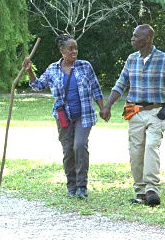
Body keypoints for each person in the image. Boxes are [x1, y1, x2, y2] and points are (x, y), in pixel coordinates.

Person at [99, 24, 165, 207]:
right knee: (136, 152)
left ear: (147, 39)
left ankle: (152, 190)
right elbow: (120, 84)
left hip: (157, 112)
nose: (132, 39)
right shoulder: (132, 59)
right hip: (135, 112)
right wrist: (107, 106)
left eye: (136, 36)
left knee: (151, 148)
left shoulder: (163, 59)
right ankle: (140, 192)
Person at [22, 34, 105, 199]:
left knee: (80, 146)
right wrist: (29, 70)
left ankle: (82, 186)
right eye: (70, 49)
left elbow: (96, 88)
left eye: (76, 48)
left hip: (84, 115)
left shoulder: (85, 66)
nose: (74, 52)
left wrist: (103, 108)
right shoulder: (53, 69)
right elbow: (38, 86)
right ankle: (71, 186)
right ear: (62, 50)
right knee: (68, 151)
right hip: (63, 117)